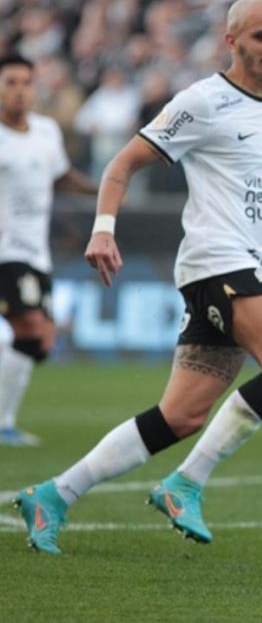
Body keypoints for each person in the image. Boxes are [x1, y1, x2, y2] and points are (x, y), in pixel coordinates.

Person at [14, 0, 262, 555]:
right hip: (215, 263)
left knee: (181, 415)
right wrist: (103, 228)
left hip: (250, 262)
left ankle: (54, 494)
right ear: (233, 42)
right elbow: (121, 164)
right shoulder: (201, 102)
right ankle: (187, 481)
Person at [0, 53, 98, 447]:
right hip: (6, 252)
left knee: (40, 342)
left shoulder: (46, 131)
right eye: (10, 82)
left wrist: (103, 188)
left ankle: (5, 420)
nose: (19, 90)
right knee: (31, 328)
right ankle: (3, 423)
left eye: (26, 82)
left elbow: (61, 176)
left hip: (37, 252)